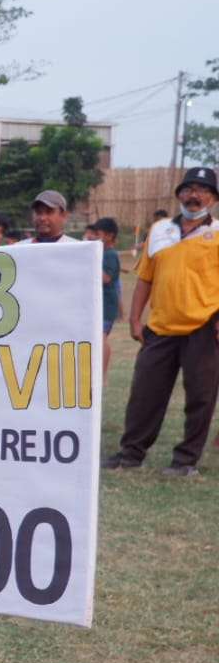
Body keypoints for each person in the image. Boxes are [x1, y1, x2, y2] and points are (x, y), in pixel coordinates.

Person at [102, 166, 219, 477]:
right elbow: (145, 279)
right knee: (144, 393)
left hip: (204, 326)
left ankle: (185, 461)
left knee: (200, 396)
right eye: (189, 189)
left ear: (213, 198)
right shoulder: (160, 230)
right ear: (179, 194)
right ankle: (130, 454)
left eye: (203, 190)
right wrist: (135, 319)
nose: (195, 195)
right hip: (161, 327)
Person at [85, 217, 121, 374]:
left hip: (107, 305)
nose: (93, 237)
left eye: (97, 233)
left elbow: (106, 278)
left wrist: (90, 263)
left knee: (101, 338)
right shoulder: (102, 253)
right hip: (99, 304)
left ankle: (103, 374)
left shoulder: (110, 255)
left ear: (109, 236)